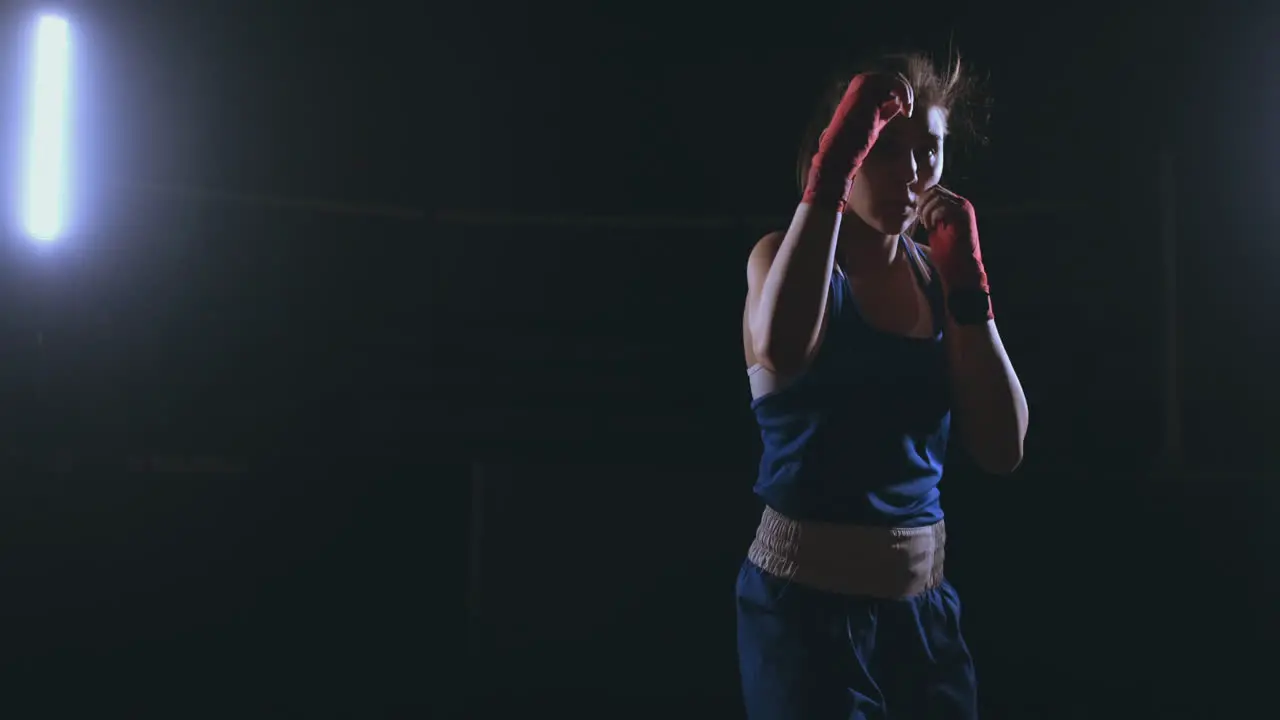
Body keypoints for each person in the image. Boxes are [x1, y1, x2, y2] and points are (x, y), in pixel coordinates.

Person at [736, 51, 1029, 720]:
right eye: (885, 147)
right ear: (839, 148)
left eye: (930, 150)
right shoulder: (777, 259)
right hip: (803, 616)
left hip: (926, 618)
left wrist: (970, 292)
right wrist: (829, 176)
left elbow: (1003, 447)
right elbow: (782, 351)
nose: (915, 171)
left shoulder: (939, 277)